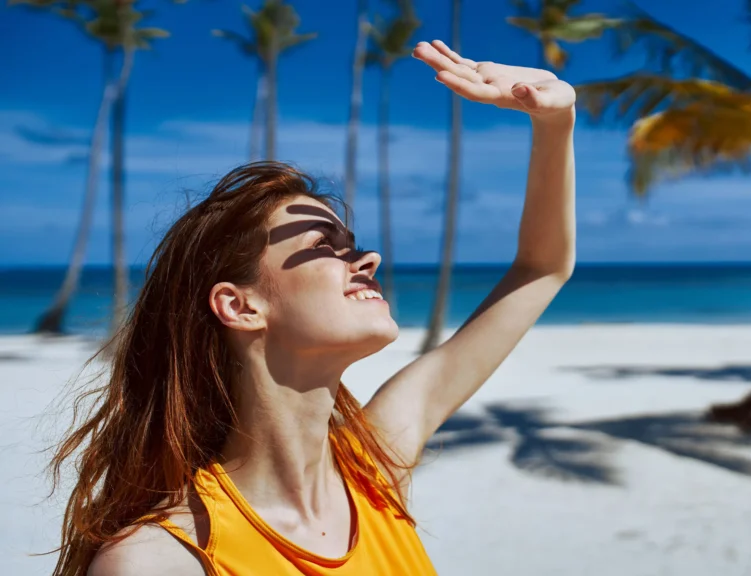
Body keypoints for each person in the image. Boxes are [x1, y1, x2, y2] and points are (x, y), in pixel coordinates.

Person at [51, 40, 576, 576]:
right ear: (239, 305)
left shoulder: (373, 472)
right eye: (326, 245)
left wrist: (555, 123)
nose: (367, 257)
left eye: (353, 242)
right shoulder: (164, 559)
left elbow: (541, 269)